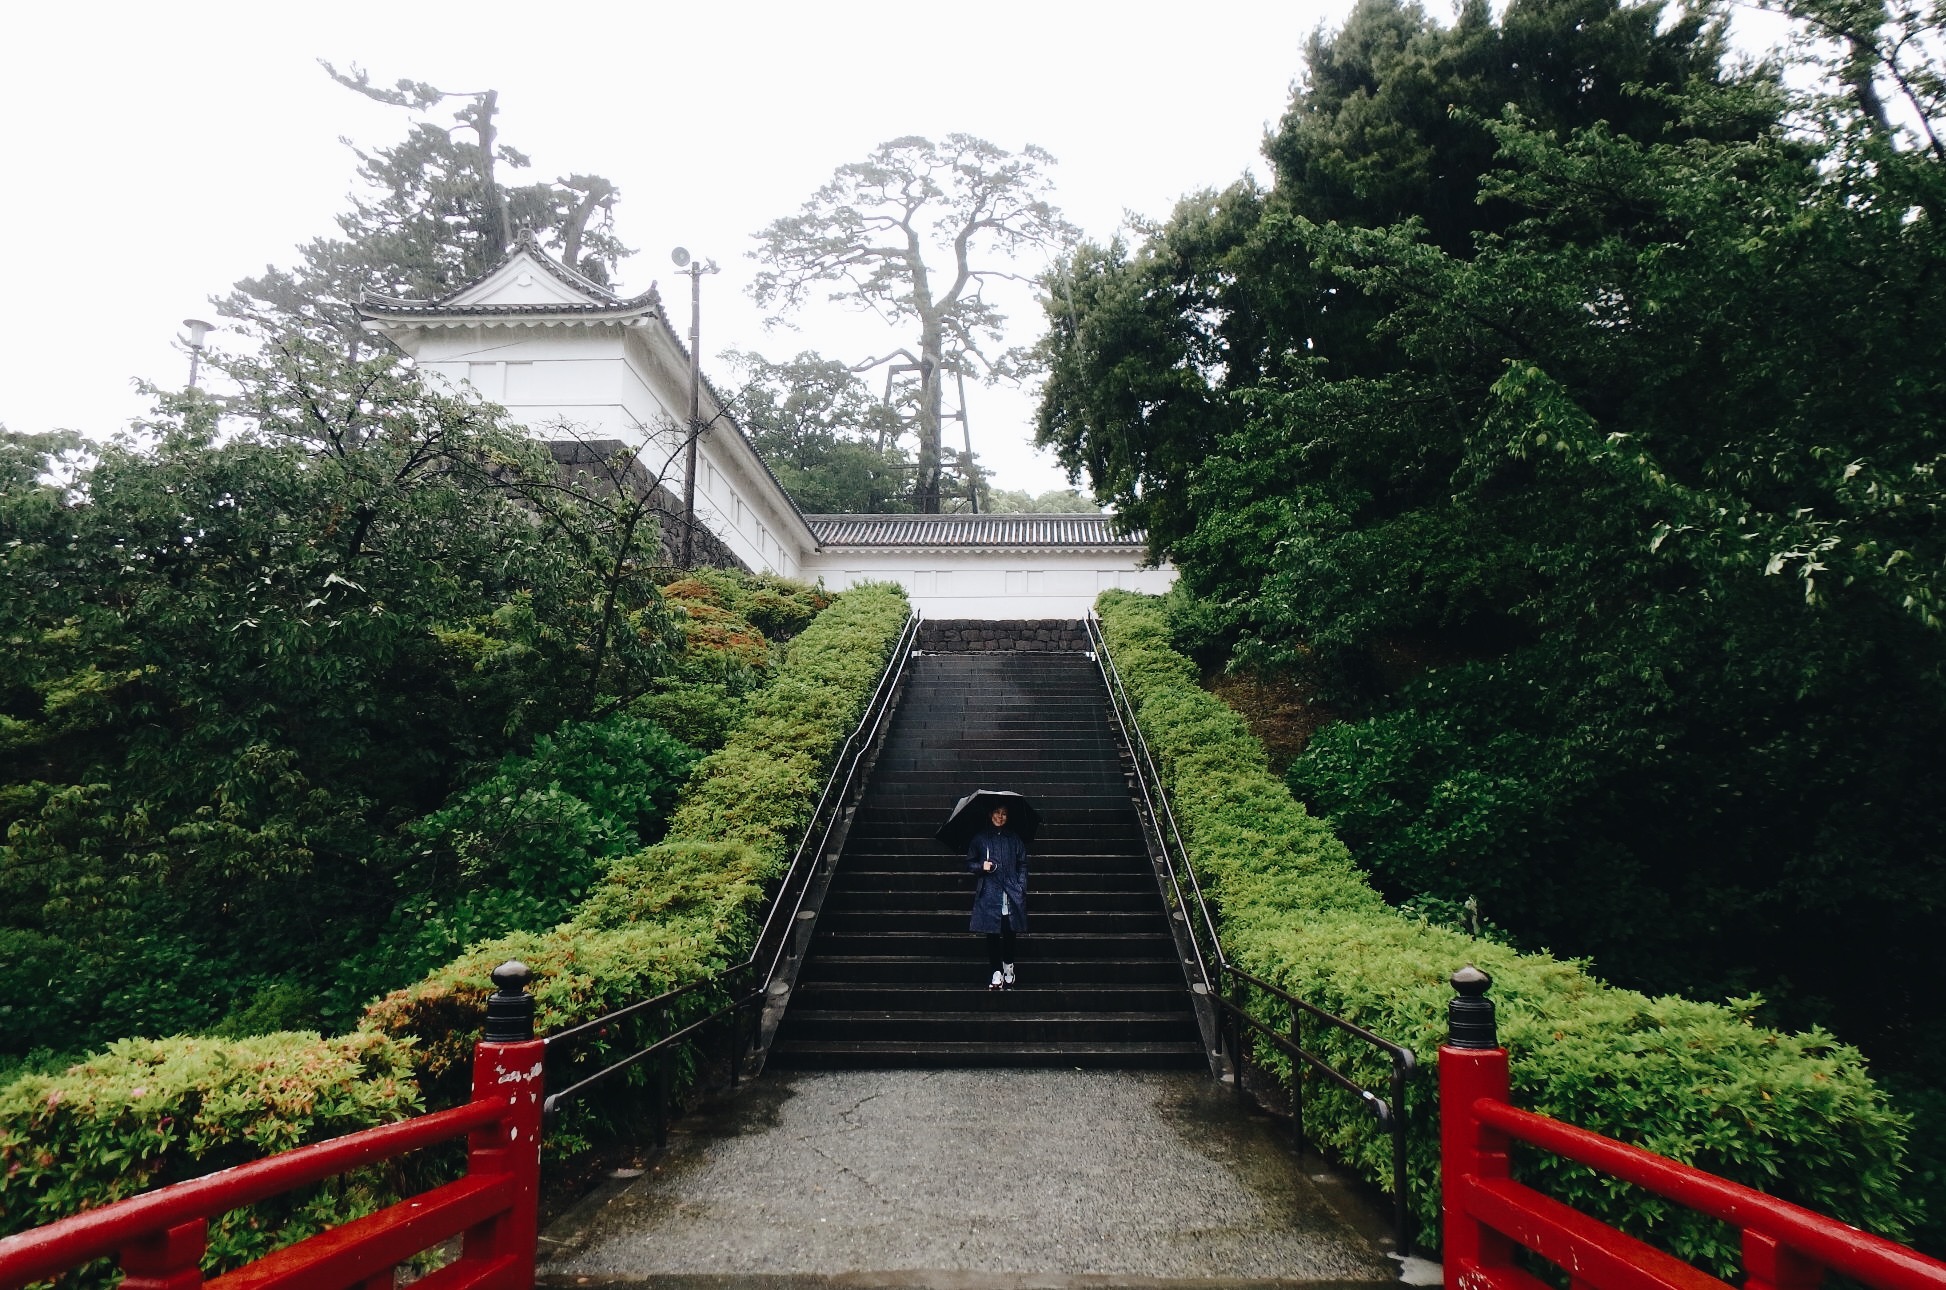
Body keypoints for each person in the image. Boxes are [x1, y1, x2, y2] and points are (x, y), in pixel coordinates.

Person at [966, 803, 1028, 989]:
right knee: (992, 932)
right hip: (989, 891)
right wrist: (981, 867)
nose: (1000, 817)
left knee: (1010, 930)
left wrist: (1021, 885)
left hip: (1011, 891)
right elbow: (969, 863)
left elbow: (1022, 863)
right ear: (990, 814)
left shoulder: (1014, 838)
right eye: (997, 813)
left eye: (1004, 814)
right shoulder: (980, 838)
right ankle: (995, 970)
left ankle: (1008, 966)